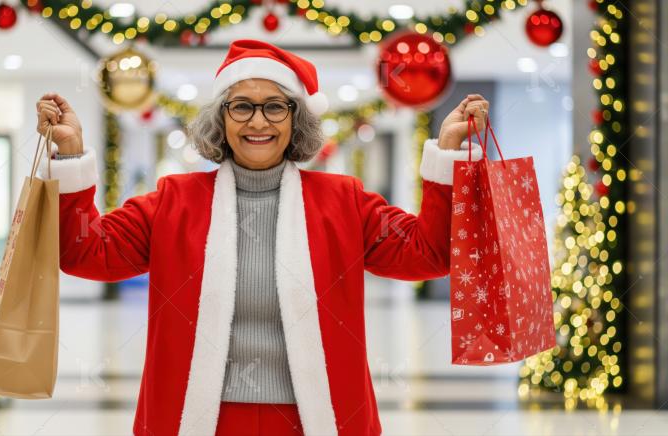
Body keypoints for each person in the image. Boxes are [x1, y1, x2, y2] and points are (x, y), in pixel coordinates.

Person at [35, 39, 488, 436]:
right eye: (242, 106)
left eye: (275, 105)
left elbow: (427, 254)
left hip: (315, 419)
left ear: (295, 119)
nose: (258, 122)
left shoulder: (342, 200)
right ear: (221, 119)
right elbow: (85, 253)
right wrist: (71, 155)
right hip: (198, 419)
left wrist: (448, 158)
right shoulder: (174, 200)